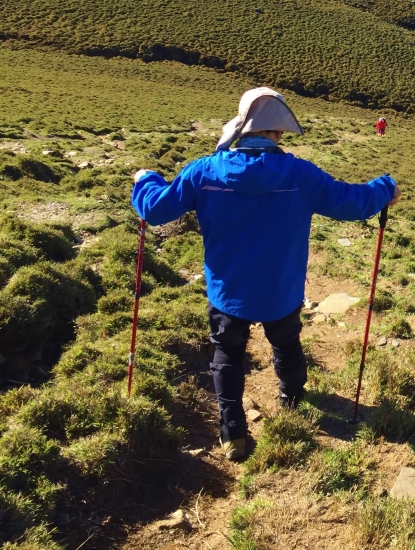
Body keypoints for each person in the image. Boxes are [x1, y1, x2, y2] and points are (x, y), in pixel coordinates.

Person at [131, 88, 400, 462]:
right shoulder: (300, 174)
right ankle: (291, 402)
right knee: (287, 344)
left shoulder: (204, 171)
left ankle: (233, 433)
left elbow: (155, 210)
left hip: (228, 291)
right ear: (277, 132)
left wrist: (145, 179)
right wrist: (385, 188)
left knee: (227, 353)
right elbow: (351, 202)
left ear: (243, 128)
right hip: (281, 290)